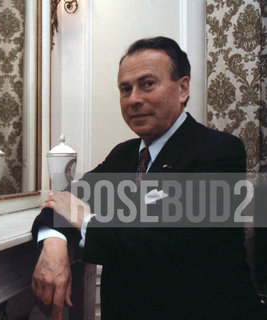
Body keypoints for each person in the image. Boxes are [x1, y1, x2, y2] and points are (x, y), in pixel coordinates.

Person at [31, 37, 266, 319]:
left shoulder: (219, 151)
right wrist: (54, 242)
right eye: (125, 89)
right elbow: (64, 200)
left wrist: (84, 221)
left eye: (147, 84)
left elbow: (161, 244)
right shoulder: (123, 155)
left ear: (183, 88)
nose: (134, 100)